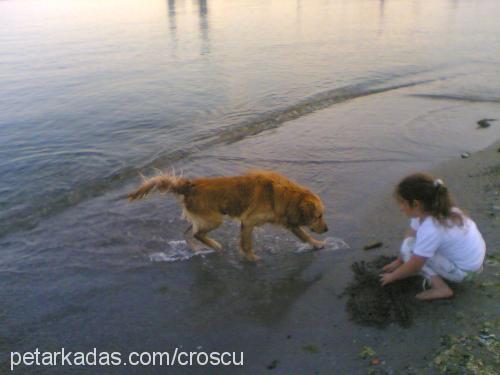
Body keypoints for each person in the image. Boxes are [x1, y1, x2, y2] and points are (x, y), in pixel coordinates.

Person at [380, 173, 486, 300]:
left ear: (415, 204)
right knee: (410, 246)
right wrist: (399, 261)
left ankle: (441, 288)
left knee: (411, 251)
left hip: (464, 272)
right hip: (474, 263)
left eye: (402, 203)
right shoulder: (441, 210)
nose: (400, 208)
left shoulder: (431, 227)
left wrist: (393, 276)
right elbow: (411, 233)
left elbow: (415, 264)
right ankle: (418, 264)